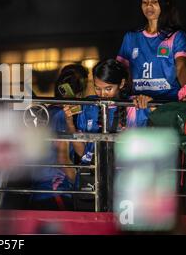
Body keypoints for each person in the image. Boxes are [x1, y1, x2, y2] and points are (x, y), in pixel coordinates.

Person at [64, 59, 153, 211]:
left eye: (108, 88)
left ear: (122, 84)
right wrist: (69, 122)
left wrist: (149, 103)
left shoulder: (135, 106)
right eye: (97, 88)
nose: (102, 94)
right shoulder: (88, 106)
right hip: (91, 183)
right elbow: (82, 152)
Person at [116, 0, 186, 100]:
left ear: (165, 3)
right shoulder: (131, 37)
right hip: (137, 106)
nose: (149, 6)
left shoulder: (176, 36)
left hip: (167, 106)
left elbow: (181, 67)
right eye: (144, 2)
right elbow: (119, 71)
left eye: (155, 1)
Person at [29, 64, 89, 211]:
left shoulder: (47, 112)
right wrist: (82, 184)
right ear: (81, 90)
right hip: (57, 191)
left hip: (38, 190)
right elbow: (62, 158)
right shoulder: (63, 116)